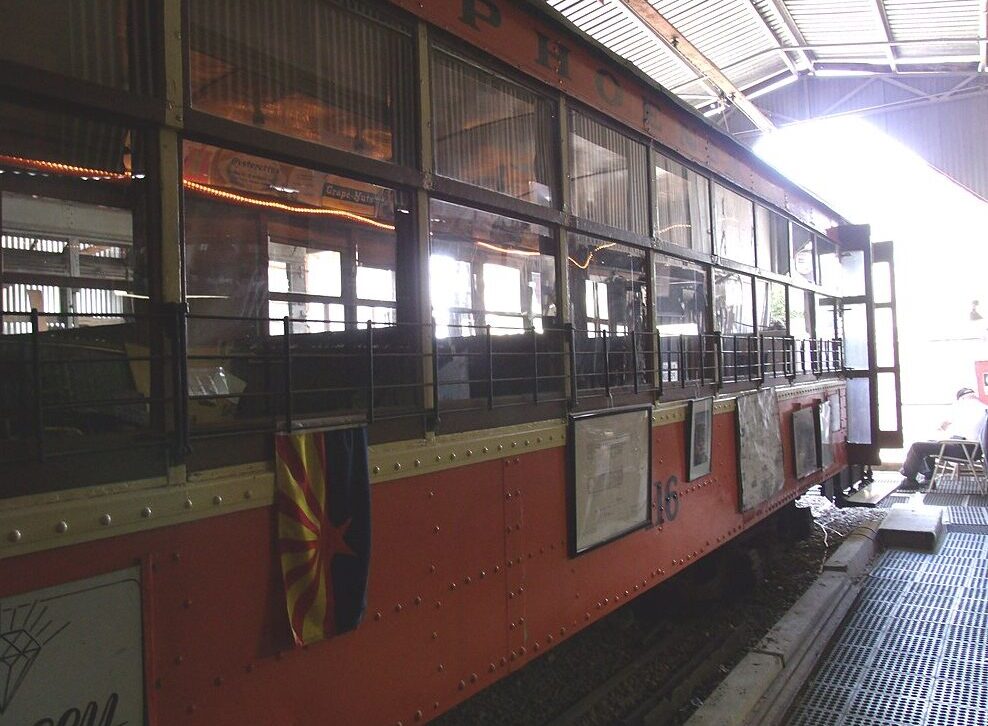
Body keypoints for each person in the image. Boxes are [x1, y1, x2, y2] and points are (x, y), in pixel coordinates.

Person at [900, 387, 988, 483]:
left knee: (917, 446)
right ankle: (928, 478)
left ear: (961, 398)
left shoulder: (960, 406)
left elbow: (941, 426)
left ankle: (909, 478)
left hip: (962, 450)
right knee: (928, 445)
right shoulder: (984, 408)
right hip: (978, 452)